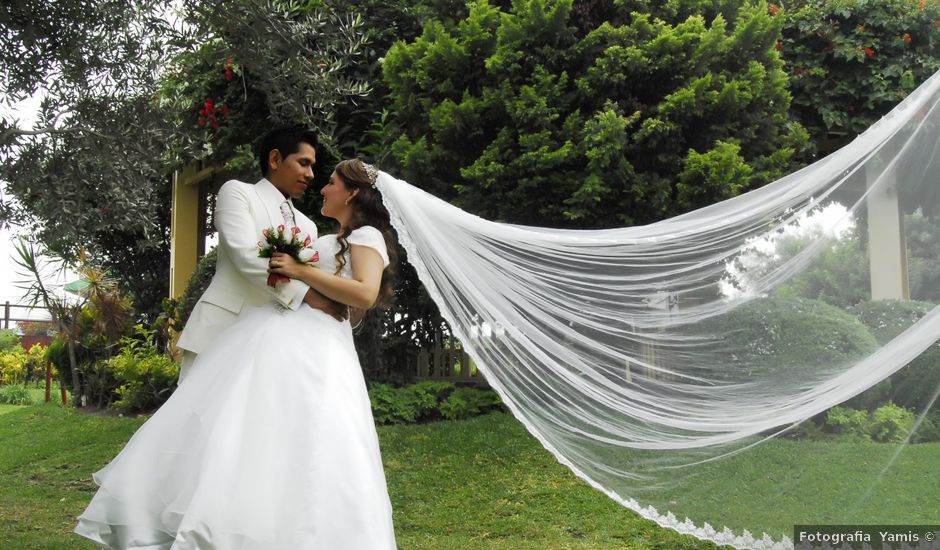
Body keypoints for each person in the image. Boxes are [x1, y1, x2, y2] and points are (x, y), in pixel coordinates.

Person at [74, 158, 399, 549]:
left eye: (331, 182)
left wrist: (300, 271)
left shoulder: (367, 237)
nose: (323, 188)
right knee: (257, 430)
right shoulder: (328, 236)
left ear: (352, 192)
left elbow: (364, 293)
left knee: (316, 434)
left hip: (319, 349)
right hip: (283, 335)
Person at [175, 126, 348, 385]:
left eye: (312, 166)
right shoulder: (237, 193)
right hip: (224, 327)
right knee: (194, 418)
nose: (310, 174)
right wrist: (309, 296)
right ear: (275, 159)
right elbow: (245, 256)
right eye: (303, 163)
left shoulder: (308, 226)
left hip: (275, 343)